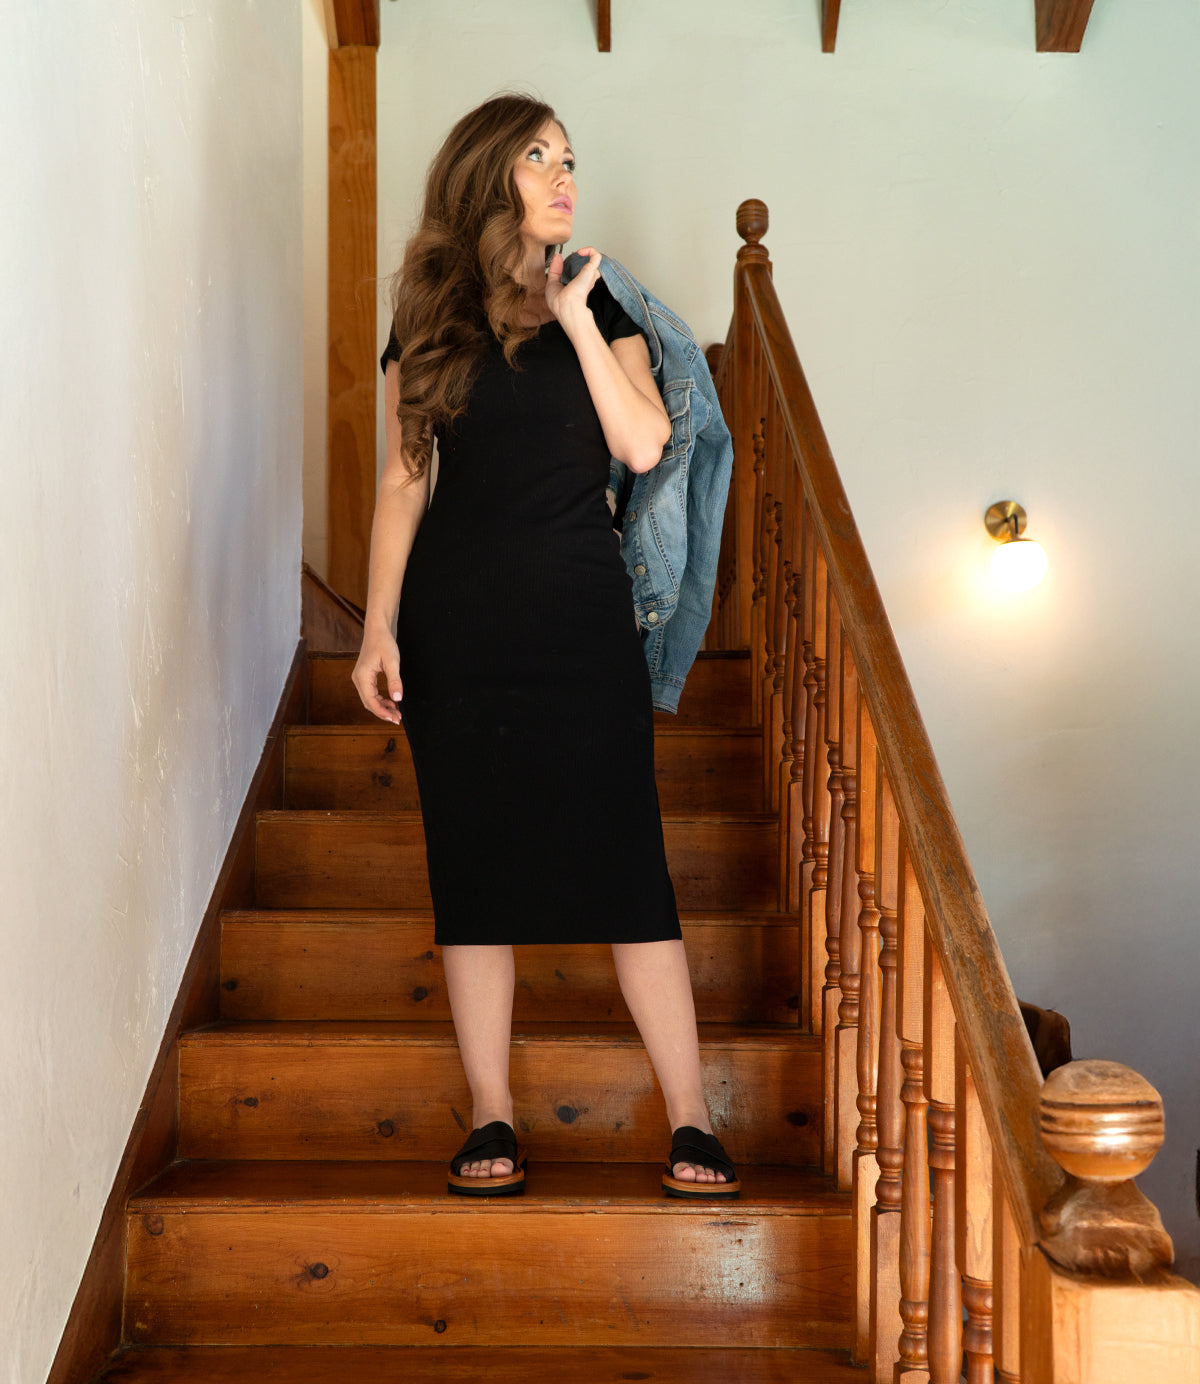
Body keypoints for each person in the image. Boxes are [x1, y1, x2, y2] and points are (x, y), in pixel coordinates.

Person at [351, 93, 739, 1201]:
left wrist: (570, 311)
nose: (563, 175)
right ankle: (492, 1110)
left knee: (628, 866)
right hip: (456, 627)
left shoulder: (597, 292)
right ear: (488, 173)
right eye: (538, 156)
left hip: (580, 620)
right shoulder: (427, 312)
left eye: (570, 158)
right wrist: (377, 622)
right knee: (472, 868)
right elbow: (402, 477)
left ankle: (693, 1117)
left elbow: (648, 438)